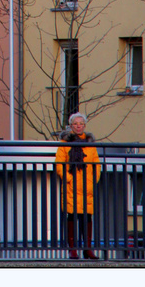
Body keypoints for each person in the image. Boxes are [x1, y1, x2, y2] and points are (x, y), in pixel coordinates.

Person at [55, 111, 101, 260]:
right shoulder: (64, 144)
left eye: (81, 124)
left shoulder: (90, 144)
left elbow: (96, 164)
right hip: (71, 187)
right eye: (75, 124)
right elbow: (59, 164)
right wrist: (68, 178)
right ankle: (73, 250)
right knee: (72, 217)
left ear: (84, 125)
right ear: (71, 126)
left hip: (86, 187)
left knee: (87, 217)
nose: (78, 126)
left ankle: (87, 250)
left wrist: (93, 180)